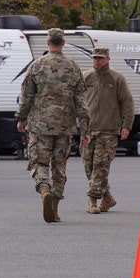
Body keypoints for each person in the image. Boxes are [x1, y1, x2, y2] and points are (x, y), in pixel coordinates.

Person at [16, 28, 88, 223]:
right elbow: (81, 101)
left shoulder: (37, 66)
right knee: (59, 166)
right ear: (63, 43)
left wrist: (21, 119)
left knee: (39, 162)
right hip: (65, 127)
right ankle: (54, 207)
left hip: (40, 125)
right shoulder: (73, 67)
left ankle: (44, 189)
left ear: (48, 43)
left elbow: (27, 97)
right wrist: (85, 130)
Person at [80, 47, 134, 214]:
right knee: (89, 167)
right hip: (88, 130)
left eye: (101, 58)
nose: (97, 61)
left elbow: (127, 103)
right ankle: (108, 197)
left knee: (100, 166)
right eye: (95, 58)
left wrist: (126, 125)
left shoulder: (117, 79)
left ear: (108, 59)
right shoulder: (85, 77)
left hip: (108, 131)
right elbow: (77, 101)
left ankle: (92, 200)